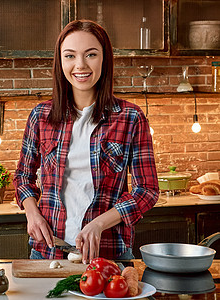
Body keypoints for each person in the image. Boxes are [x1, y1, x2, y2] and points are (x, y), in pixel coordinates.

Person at [13, 20, 159, 263]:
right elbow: (22, 178)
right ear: (60, 62)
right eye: (70, 56)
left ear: (104, 59)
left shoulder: (130, 118)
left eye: (91, 54)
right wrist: (32, 213)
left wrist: (99, 224)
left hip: (109, 251)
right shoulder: (41, 116)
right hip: (48, 250)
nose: (80, 65)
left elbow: (147, 191)